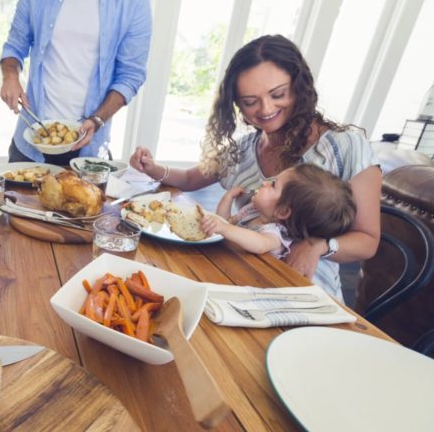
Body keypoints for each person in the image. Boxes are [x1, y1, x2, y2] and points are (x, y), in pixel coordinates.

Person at [130, 34, 381, 301]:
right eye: (250, 102)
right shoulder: (244, 148)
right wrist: (154, 169)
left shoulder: (346, 146)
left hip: (309, 296)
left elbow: (367, 240)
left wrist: (318, 244)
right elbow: (192, 178)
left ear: (299, 87)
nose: (266, 109)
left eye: (278, 94)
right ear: (237, 104)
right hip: (243, 283)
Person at [0, 0, 151, 165]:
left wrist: (97, 120)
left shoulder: (134, 4)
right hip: (31, 142)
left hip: (90, 147)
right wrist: (10, 77)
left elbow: (131, 74)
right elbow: (14, 46)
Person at [201, 164, 356, 293]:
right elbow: (225, 223)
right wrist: (227, 199)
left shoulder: (276, 234)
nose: (265, 183)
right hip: (232, 270)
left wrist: (223, 228)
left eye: (273, 185)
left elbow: (259, 244)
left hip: (254, 287)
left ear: (282, 211)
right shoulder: (253, 210)